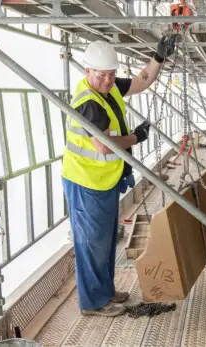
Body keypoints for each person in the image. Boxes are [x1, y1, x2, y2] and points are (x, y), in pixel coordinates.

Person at [61, 36, 176, 317]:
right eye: (102, 76)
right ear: (88, 72)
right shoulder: (88, 102)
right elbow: (104, 144)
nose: (109, 81)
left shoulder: (109, 88)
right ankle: (94, 303)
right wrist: (137, 136)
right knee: (92, 243)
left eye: (112, 74)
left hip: (104, 180)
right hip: (86, 182)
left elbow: (140, 81)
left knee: (106, 239)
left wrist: (157, 58)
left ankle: (106, 290)